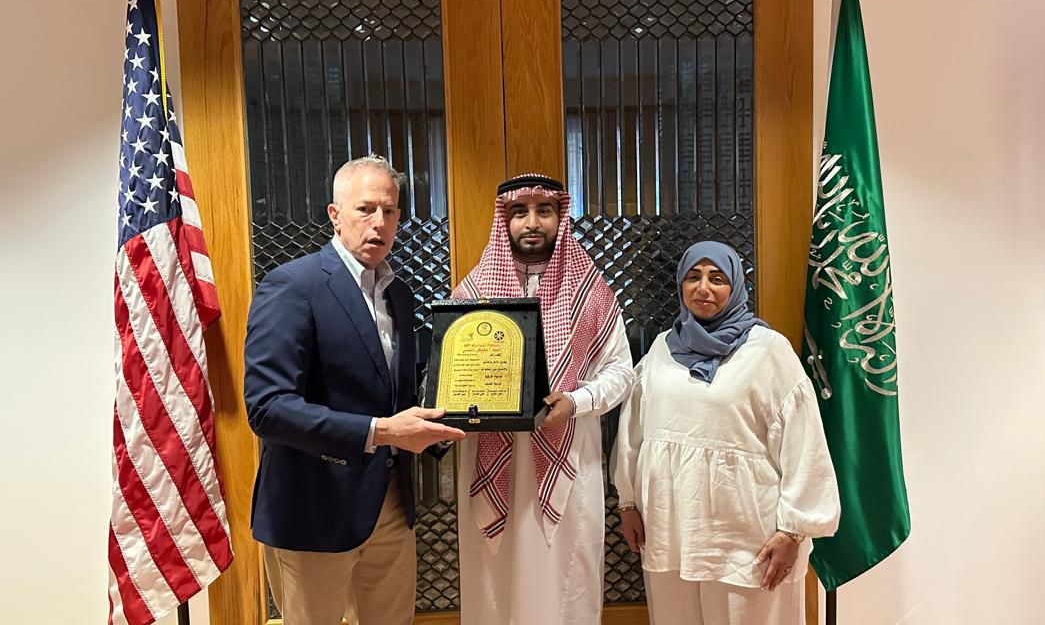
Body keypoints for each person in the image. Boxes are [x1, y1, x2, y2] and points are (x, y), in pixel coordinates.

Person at [244, 155, 464, 625]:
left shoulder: (399, 294)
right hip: (313, 509)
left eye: (390, 211)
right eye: (365, 209)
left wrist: (448, 416)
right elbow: (268, 408)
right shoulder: (292, 285)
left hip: (391, 502)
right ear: (335, 214)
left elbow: (396, 396)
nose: (378, 222)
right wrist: (381, 431)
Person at [613, 241, 840, 625]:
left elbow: (804, 444)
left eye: (717, 278)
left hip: (747, 537)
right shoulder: (661, 349)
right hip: (670, 530)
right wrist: (628, 502)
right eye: (693, 277)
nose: (703, 288)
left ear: (735, 286)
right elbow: (634, 432)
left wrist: (794, 531)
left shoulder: (768, 351)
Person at [453, 173, 635, 623]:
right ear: (505, 221)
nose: (532, 222)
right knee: (494, 586)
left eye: (544, 211)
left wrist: (577, 401)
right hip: (492, 460)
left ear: (560, 217)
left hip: (568, 459)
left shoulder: (591, 294)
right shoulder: (472, 294)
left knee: (564, 586)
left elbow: (621, 373)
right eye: (520, 212)